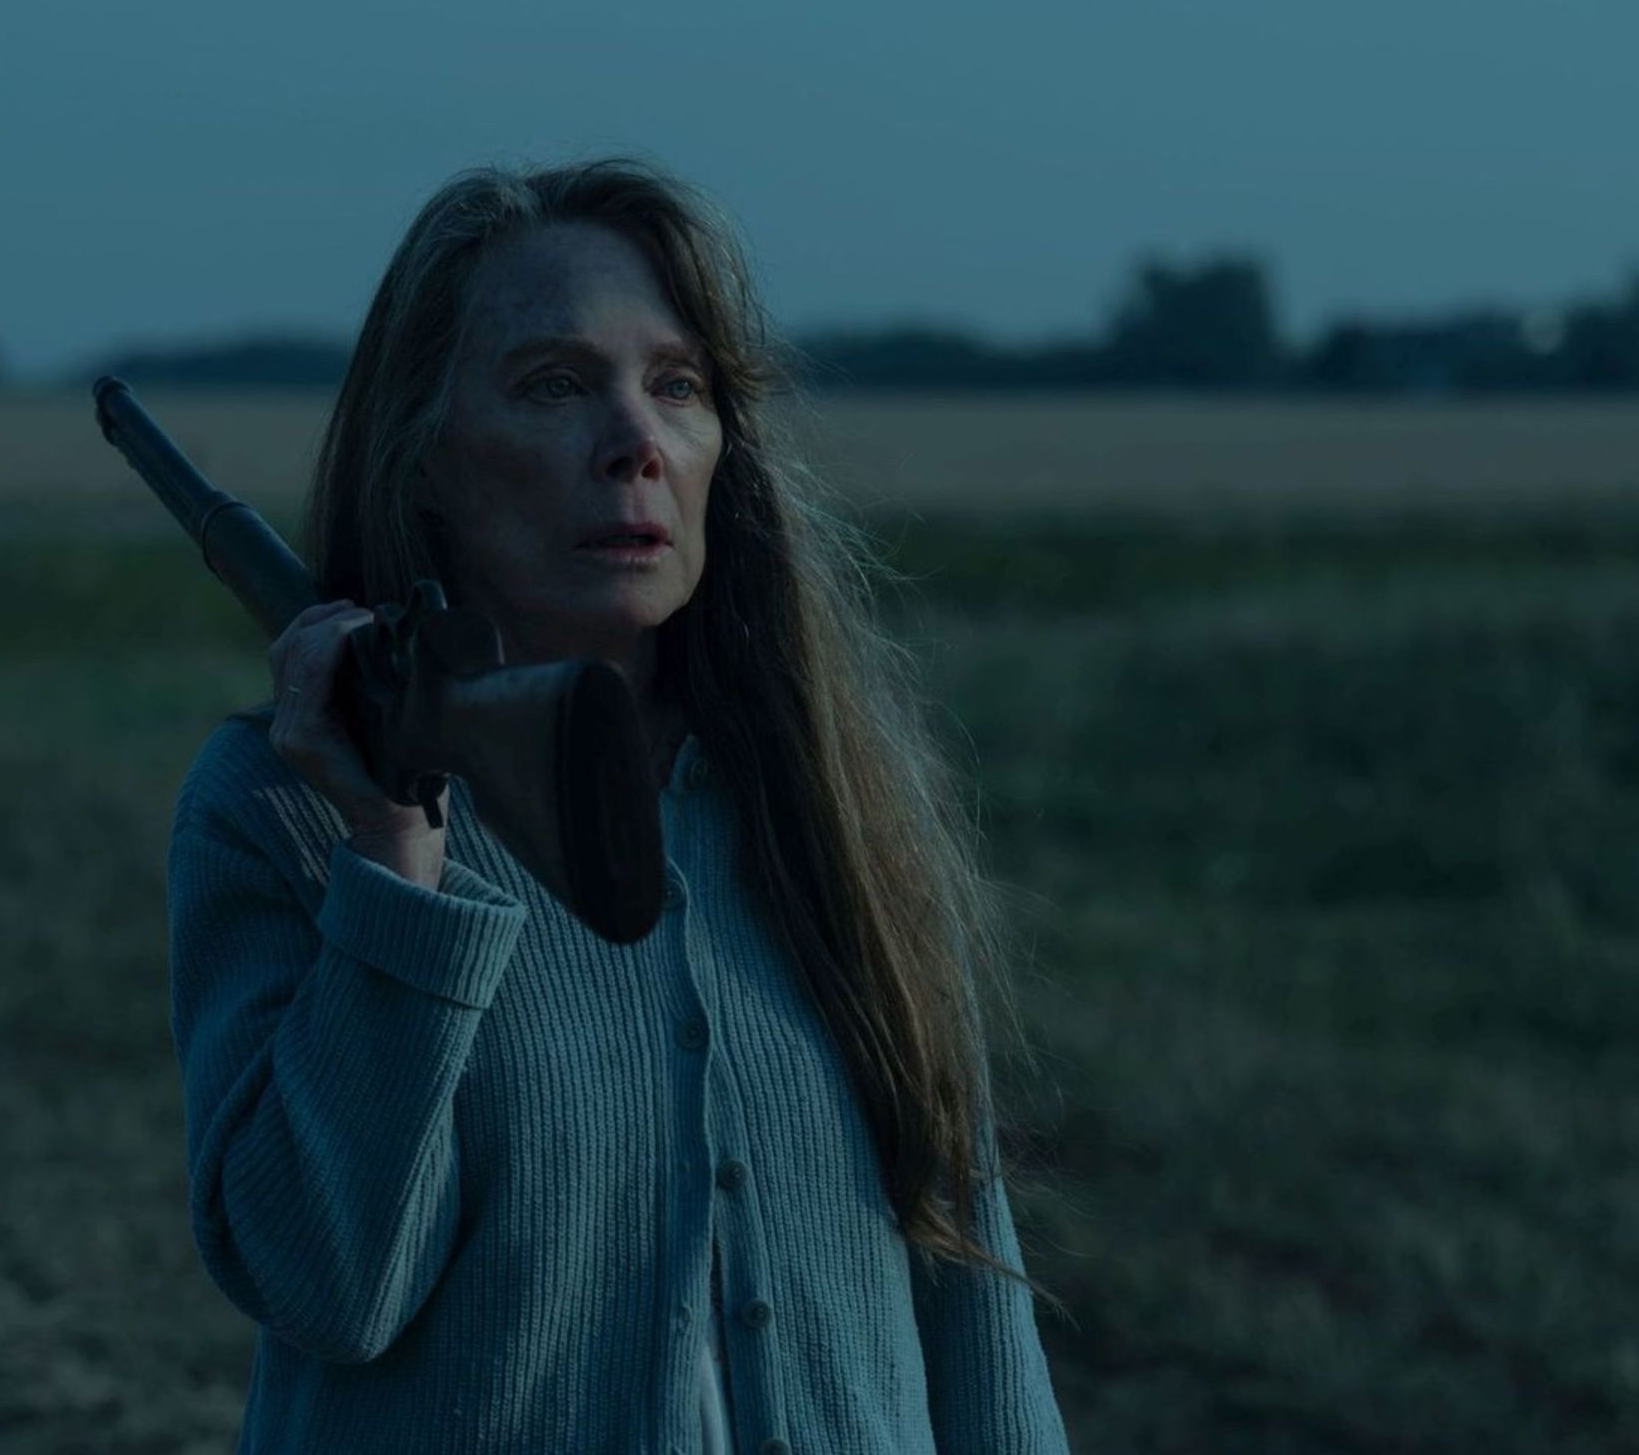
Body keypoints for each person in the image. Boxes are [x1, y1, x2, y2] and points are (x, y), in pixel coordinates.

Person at [166, 156, 1073, 1452]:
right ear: (423, 458)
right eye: (554, 386)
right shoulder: (280, 811)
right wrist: (394, 857)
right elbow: (327, 1290)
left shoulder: (828, 803)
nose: (636, 443)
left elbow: (973, 1295)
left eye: (679, 386)